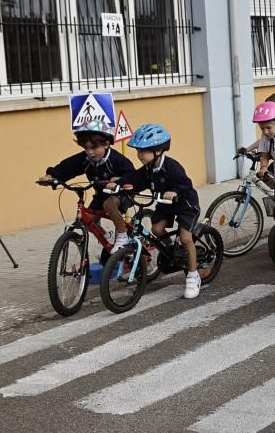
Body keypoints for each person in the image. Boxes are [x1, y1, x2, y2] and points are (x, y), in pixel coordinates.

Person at [115, 124, 202, 299]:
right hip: (166, 204)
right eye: (138, 151)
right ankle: (171, 251)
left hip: (185, 203)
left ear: (158, 151)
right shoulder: (148, 168)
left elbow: (185, 184)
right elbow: (135, 178)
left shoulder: (171, 166)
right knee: (156, 230)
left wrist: (175, 192)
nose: (139, 155)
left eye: (143, 151)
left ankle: (193, 276)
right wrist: (119, 183)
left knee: (186, 238)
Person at [38, 119, 136, 251]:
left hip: (123, 193)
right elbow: (68, 166)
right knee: (87, 222)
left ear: (106, 144)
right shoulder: (86, 159)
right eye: (86, 148)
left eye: (94, 147)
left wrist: (119, 181)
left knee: (109, 204)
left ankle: (123, 236)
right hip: (102, 194)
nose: (90, 152)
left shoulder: (116, 159)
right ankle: (108, 236)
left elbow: (132, 175)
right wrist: (52, 176)